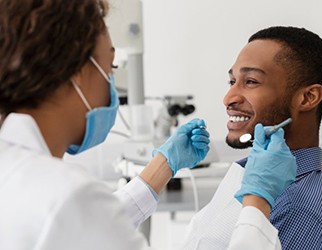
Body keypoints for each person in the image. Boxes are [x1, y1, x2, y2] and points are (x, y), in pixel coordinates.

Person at [0, 1, 296, 249]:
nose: (229, 97)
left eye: (251, 81)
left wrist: (163, 165)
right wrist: (258, 201)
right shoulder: (68, 197)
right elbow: (83, 220)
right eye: (110, 68)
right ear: (77, 72)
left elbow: (88, 226)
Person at [179, 26, 322, 250]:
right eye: (232, 82)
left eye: (251, 81)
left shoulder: (299, 213)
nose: (228, 98)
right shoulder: (254, 182)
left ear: (308, 98)